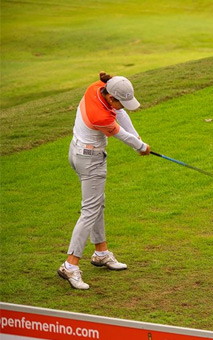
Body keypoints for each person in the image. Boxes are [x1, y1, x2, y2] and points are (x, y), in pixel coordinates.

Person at [57, 72, 151, 290]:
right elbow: (119, 132)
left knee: (97, 203)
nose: (122, 105)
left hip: (77, 152)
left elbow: (121, 113)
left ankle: (101, 253)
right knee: (89, 210)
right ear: (111, 97)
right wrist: (141, 146)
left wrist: (138, 137)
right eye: (120, 101)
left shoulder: (97, 88)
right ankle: (70, 265)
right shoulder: (100, 116)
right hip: (90, 160)